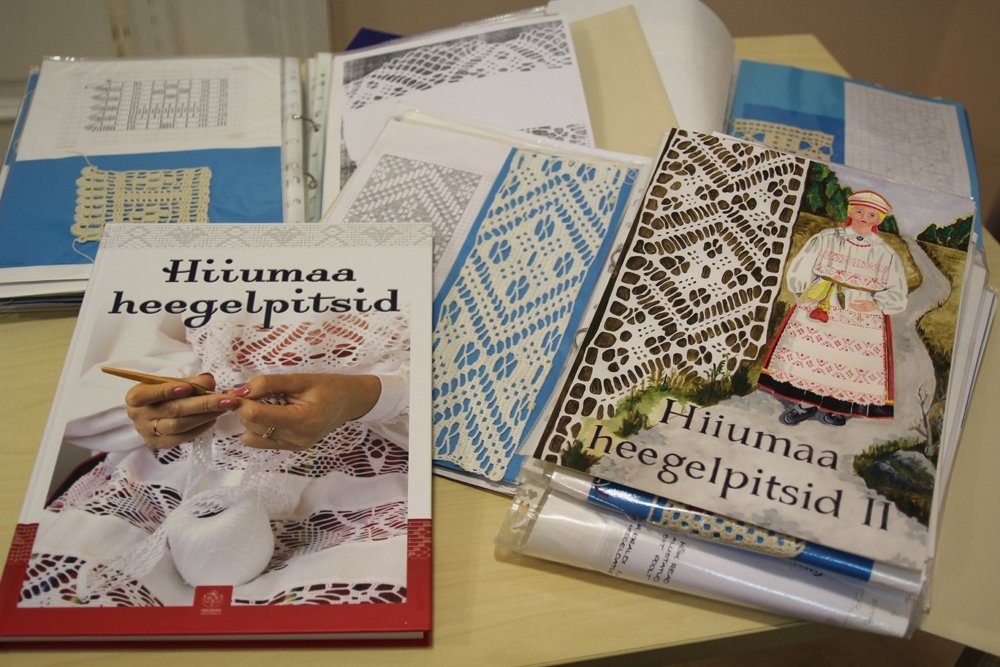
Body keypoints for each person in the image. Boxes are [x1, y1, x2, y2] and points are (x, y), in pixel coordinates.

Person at [22, 310, 411, 608]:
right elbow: (77, 394)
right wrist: (158, 403)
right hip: (171, 474)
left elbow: (443, 397)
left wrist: (370, 395)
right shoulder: (181, 249)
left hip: (373, 479)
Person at [758, 190, 907, 426]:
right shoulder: (827, 238)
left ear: (879, 219)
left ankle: (838, 407)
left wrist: (876, 303)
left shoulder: (885, 253)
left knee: (849, 360)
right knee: (813, 354)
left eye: (871, 215)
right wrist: (804, 293)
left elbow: (897, 291)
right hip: (822, 301)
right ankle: (805, 405)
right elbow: (802, 266)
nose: (864, 218)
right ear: (850, 212)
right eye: (859, 211)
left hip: (860, 315)